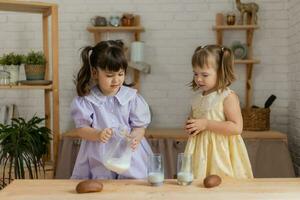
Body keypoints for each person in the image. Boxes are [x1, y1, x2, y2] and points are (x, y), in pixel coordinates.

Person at [69, 40, 152, 179]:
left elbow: (139, 127)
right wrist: (98, 134)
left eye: (120, 74)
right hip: (98, 154)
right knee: (100, 187)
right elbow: (81, 129)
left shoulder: (131, 98)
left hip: (128, 155)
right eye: (109, 75)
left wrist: (135, 138)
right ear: (95, 73)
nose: (116, 80)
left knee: (131, 188)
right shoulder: (88, 100)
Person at [184, 44, 253, 180]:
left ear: (221, 72)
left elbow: (236, 127)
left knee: (222, 185)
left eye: (204, 74)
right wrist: (191, 125)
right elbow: (195, 120)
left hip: (220, 152)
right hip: (200, 151)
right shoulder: (197, 98)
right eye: (195, 74)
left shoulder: (227, 96)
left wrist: (206, 124)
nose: (198, 79)